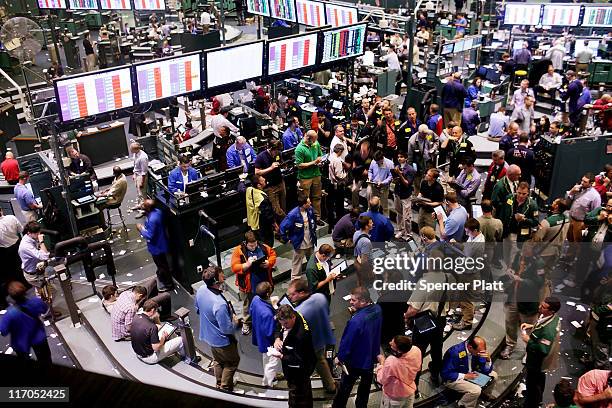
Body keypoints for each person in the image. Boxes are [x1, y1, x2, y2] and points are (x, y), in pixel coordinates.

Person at [405, 265, 455, 389]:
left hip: (425, 322)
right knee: (437, 350)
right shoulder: (449, 277)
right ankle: (435, 375)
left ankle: (413, 386)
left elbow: (413, 309)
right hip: (440, 320)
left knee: (417, 354)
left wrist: (405, 317)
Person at [333, 286, 382, 408]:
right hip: (370, 357)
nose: (350, 302)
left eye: (354, 300)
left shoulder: (356, 321)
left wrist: (340, 357)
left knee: (345, 388)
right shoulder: (377, 309)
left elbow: (347, 341)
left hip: (354, 362)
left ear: (364, 301)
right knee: (365, 388)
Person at [286, 279, 337, 394]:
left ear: (302, 292)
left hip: (310, 344)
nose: (290, 297)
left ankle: (325, 387)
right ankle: (331, 386)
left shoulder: (298, 312)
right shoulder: (320, 297)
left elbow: (293, 330)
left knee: (312, 364)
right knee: (322, 360)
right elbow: (327, 312)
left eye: (293, 294)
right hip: (323, 336)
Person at [195, 266, 241, 391]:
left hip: (208, 335)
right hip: (222, 341)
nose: (224, 276)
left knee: (218, 360)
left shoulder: (201, 289)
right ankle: (225, 387)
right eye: (221, 275)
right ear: (215, 281)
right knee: (232, 362)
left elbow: (198, 309)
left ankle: (219, 383)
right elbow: (226, 329)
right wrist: (235, 323)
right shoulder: (219, 304)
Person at [230, 231, 276, 335]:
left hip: (264, 282)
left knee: (266, 302)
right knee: (247, 305)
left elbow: (273, 254)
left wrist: (269, 263)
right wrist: (246, 265)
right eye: (251, 246)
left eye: (255, 244)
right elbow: (234, 267)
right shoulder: (239, 251)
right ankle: (247, 323)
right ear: (246, 243)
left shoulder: (262, 247)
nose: (254, 247)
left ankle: (266, 319)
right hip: (248, 285)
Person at [521, 297, 561, 408]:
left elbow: (543, 349)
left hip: (537, 362)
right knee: (539, 380)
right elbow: (541, 324)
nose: (540, 307)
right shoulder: (552, 317)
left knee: (533, 383)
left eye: (543, 307)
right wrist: (532, 326)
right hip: (537, 363)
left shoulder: (548, 331)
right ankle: (535, 397)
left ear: (551, 311)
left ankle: (532, 403)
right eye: (541, 305)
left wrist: (528, 341)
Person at [564, 173, 602, 287]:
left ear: (591, 183)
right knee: (570, 240)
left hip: (582, 224)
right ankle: (568, 259)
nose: (582, 183)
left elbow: (596, 213)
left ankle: (575, 265)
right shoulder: (577, 189)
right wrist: (571, 192)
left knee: (579, 246)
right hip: (571, 219)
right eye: (582, 180)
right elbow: (567, 201)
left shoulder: (595, 196)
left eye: (585, 182)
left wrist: (586, 226)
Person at [274, 305, 316, 407]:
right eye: (282, 323)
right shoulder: (292, 315)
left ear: (293, 317)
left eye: (286, 323)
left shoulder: (300, 336)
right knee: (305, 392)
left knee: (297, 396)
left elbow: (299, 360)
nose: (284, 326)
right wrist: (277, 339)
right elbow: (278, 326)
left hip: (299, 371)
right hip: (296, 365)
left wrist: (281, 356)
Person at [0, 281, 51, 364]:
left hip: (20, 342)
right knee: (45, 360)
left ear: (11, 296)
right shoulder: (36, 302)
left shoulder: (9, 313)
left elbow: (3, 331)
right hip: (38, 337)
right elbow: (44, 309)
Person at [441, 337, 496, 408]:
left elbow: (485, 370)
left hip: (471, 373)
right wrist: (465, 376)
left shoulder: (479, 351)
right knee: (476, 390)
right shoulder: (455, 352)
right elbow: (445, 374)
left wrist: (488, 361)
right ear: (470, 347)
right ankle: (463, 405)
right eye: (479, 352)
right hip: (453, 378)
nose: (481, 354)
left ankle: (485, 394)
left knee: (494, 375)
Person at [136, 200, 174, 292]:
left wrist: (141, 229)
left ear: (148, 208)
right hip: (160, 243)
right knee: (161, 264)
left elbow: (149, 235)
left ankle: (168, 284)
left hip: (157, 247)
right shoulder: (157, 211)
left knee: (162, 265)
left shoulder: (153, 219)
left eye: (144, 205)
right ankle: (161, 275)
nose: (142, 206)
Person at [131, 299, 185, 364]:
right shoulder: (152, 327)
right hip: (150, 357)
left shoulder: (136, 317)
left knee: (163, 329)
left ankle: (174, 347)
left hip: (138, 353)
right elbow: (156, 348)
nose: (157, 312)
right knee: (181, 340)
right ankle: (186, 358)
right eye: (156, 310)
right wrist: (163, 338)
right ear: (152, 310)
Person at [249, 282, 281, 387]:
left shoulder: (255, 299)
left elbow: (252, 311)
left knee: (266, 359)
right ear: (267, 294)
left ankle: (272, 377)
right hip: (269, 342)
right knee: (272, 362)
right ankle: (269, 383)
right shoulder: (267, 314)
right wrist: (276, 317)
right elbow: (270, 332)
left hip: (259, 335)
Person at [375, 335, 421, 408]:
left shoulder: (391, 362)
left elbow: (382, 379)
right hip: (410, 394)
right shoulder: (416, 350)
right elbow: (418, 368)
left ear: (398, 351)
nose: (390, 343)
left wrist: (382, 363)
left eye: (392, 344)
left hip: (394, 398)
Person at [280, 195, 317, 281]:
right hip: (300, 244)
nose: (310, 203)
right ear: (304, 204)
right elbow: (282, 227)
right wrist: (286, 239)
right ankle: (295, 282)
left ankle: (312, 276)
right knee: (297, 264)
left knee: (312, 262)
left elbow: (313, 222)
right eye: (308, 202)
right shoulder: (293, 214)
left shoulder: (310, 210)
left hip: (310, 242)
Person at [295, 130, 324, 224]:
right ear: (308, 138)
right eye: (314, 140)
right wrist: (314, 162)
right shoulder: (299, 149)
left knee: (317, 197)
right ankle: (306, 219)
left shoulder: (316, 143)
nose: (316, 142)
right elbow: (299, 165)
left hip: (316, 174)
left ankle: (317, 217)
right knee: (305, 200)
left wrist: (320, 160)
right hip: (305, 177)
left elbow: (320, 155)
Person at [0, 208, 24, 308]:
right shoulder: (11, 218)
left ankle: (15, 288)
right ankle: (23, 285)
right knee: (20, 264)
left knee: (10, 268)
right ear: (1, 210)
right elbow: (21, 230)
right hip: (17, 245)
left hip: (5, 250)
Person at [18, 221, 49, 295]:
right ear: (29, 232)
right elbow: (45, 256)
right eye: (36, 233)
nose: (39, 235)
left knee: (42, 291)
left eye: (39, 232)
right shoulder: (26, 246)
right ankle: (43, 305)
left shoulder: (30, 237)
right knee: (49, 292)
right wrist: (41, 242)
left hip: (38, 270)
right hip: (33, 276)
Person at [245, 174, 276, 247]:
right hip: (261, 224)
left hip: (252, 222)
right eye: (263, 181)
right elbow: (268, 215)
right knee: (267, 243)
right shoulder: (262, 198)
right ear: (258, 185)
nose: (265, 180)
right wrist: (275, 224)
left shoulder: (249, 189)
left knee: (258, 241)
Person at [393, 151, 416, 241]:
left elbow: (407, 184)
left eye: (401, 157)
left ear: (406, 158)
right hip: (397, 193)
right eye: (398, 157)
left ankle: (408, 233)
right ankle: (401, 230)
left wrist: (399, 174)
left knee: (406, 217)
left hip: (405, 195)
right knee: (399, 213)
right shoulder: (397, 167)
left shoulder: (410, 170)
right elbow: (395, 180)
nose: (399, 158)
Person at [367, 150, 394, 216]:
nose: (376, 163)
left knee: (384, 206)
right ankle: (371, 219)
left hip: (384, 187)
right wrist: (370, 177)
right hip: (374, 185)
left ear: (382, 158)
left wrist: (383, 182)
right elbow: (370, 170)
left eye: (378, 162)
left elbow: (391, 176)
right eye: (376, 162)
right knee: (372, 204)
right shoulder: (374, 161)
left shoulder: (390, 163)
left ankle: (386, 221)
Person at [328, 143, 349, 225]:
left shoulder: (331, 156)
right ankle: (339, 221)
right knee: (339, 204)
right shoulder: (337, 160)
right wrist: (346, 174)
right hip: (337, 185)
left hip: (330, 183)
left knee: (331, 203)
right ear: (340, 151)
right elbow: (339, 175)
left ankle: (332, 221)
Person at [351, 140, 373, 210]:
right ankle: (355, 207)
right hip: (359, 175)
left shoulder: (372, 156)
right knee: (354, 190)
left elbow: (374, 170)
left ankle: (370, 208)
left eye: (364, 151)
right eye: (361, 151)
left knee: (369, 192)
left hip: (369, 176)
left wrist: (368, 172)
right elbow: (354, 168)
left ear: (369, 150)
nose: (362, 153)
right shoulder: (356, 154)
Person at [130, 142, 149, 209]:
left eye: (131, 149)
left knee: (142, 193)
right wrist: (134, 174)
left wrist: (142, 182)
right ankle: (139, 205)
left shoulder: (143, 158)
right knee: (138, 192)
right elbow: (135, 165)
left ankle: (144, 209)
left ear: (135, 149)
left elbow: (144, 172)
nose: (130, 150)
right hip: (137, 174)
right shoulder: (135, 154)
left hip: (141, 176)